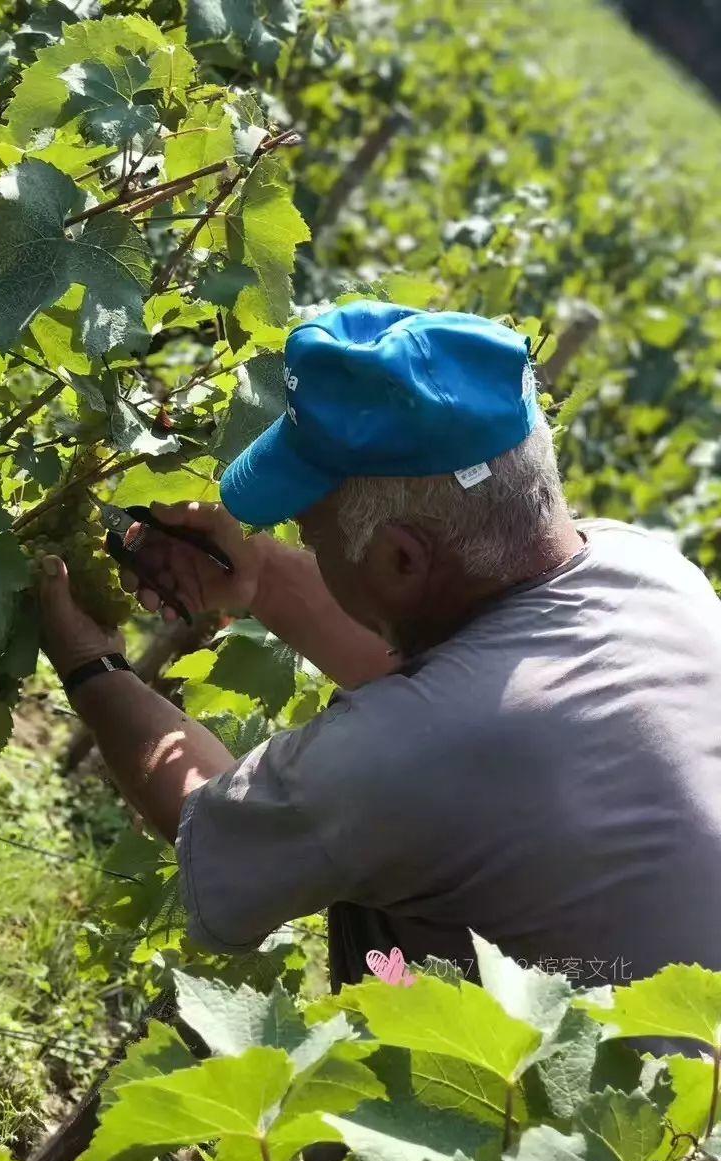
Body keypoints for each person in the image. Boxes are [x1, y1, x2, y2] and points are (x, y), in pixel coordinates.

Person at [38, 300, 721, 990]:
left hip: (577, 1097)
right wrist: (264, 577)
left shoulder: (410, 759)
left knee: (388, 928)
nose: (301, 545)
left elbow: (209, 825)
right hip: (695, 1054)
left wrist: (89, 665)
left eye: (310, 535)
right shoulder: (650, 571)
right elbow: (464, 686)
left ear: (401, 559)